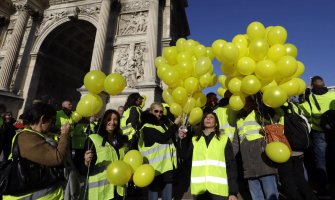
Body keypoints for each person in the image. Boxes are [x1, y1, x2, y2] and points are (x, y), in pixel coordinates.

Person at [3, 103, 71, 199]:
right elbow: (57, 158)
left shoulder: (35, 135)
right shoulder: (27, 137)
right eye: (53, 120)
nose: (53, 124)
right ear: (42, 119)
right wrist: (65, 135)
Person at [178, 111, 238, 200]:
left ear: (216, 123)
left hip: (219, 190)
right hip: (199, 190)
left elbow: (231, 165)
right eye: (206, 117)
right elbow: (184, 157)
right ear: (202, 122)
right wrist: (182, 140)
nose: (208, 118)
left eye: (211, 117)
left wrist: (233, 192)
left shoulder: (224, 139)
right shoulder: (194, 140)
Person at [236, 96, 279, 200]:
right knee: (255, 195)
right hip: (248, 161)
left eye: (248, 102)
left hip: (263, 159)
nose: (245, 105)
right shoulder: (238, 118)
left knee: (270, 193)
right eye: (243, 103)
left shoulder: (259, 112)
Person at [138, 102, 181, 200]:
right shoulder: (147, 127)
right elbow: (162, 138)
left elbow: (169, 141)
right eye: (156, 111)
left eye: (161, 112)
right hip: (154, 170)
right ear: (150, 111)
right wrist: (175, 125)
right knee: (153, 197)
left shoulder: (163, 126)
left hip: (167, 167)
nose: (159, 114)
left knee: (167, 197)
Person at [300, 76, 335, 195]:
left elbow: (307, 114)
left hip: (318, 132)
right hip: (333, 132)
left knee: (321, 161)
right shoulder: (333, 95)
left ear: (313, 85)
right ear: (323, 84)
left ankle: (324, 188)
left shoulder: (310, 97)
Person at [83, 109, 128, 200]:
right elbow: (84, 170)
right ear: (103, 121)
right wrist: (86, 162)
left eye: (115, 119)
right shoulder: (93, 139)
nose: (112, 122)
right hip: (101, 191)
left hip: (118, 190)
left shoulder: (122, 142)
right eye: (108, 119)